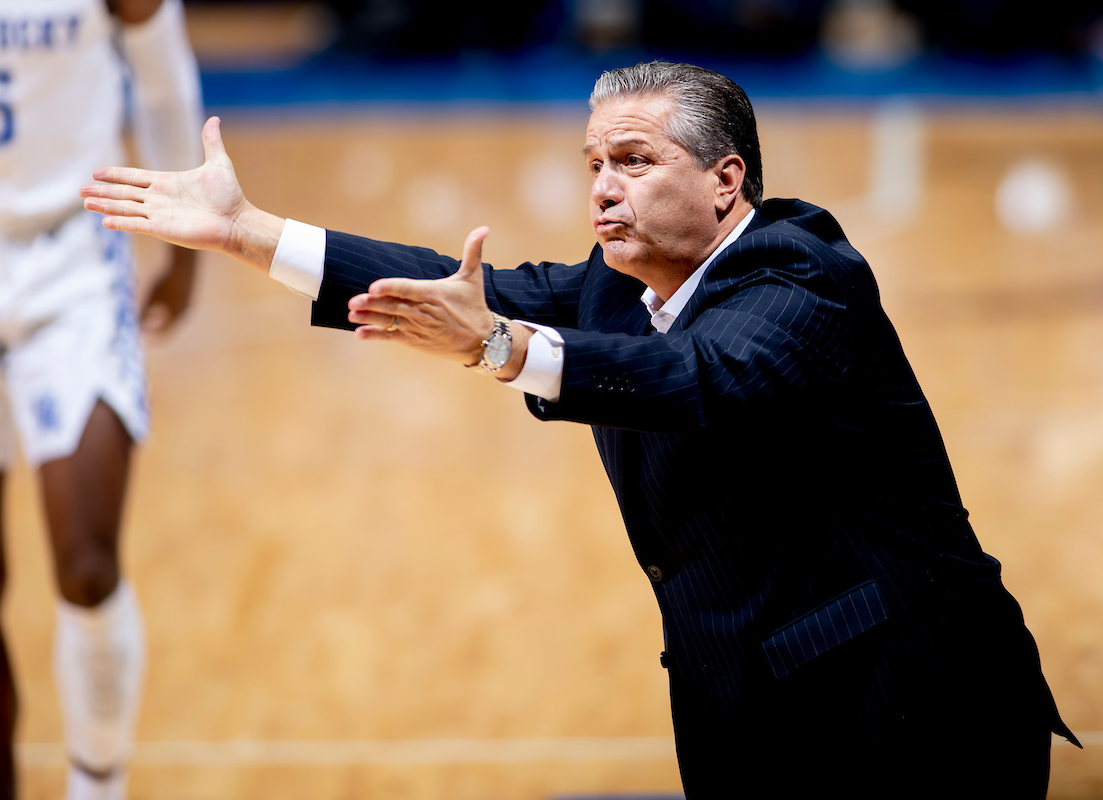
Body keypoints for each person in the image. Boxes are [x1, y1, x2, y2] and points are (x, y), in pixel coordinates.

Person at [81, 62, 1077, 797]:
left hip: (911, 703)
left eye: (635, 160)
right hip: (748, 702)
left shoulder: (802, 272)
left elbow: (700, 374)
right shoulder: (612, 289)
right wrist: (248, 230)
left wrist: (502, 349)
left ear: (727, 181)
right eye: (595, 161)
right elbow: (455, 280)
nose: (602, 185)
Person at [0, 1, 203, 798]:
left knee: (86, 565)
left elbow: (162, 73)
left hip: (70, 246)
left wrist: (185, 232)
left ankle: (95, 789)